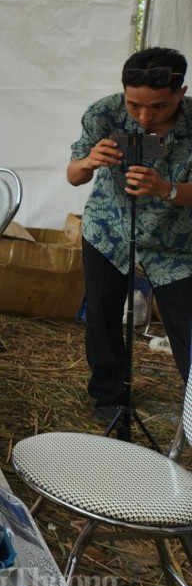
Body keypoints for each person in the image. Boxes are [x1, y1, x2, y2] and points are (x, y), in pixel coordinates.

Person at [67, 47, 192, 422]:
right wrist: (89, 161)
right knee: (103, 317)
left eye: (158, 107)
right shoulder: (103, 113)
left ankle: (191, 409)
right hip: (110, 231)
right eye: (134, 104)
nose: (144, 116)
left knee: (186, 324)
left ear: (181, 93)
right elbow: (73, 174)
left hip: (177, 243)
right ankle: (110, 397)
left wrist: (166, 188)